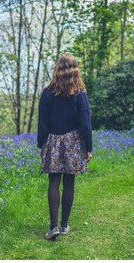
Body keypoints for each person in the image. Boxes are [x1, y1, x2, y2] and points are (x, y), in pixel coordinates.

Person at [37, 53, 92, 241]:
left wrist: (40, 144)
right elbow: (85, 124)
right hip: (73, 142)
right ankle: (64, 225)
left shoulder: (46, 93)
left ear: (57, 69)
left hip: (52, 140)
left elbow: (42, 123)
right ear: (75, 69)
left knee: (53, 181)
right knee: (69, 183)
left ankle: (53, 227)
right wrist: (88, 148)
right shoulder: (79, 94)